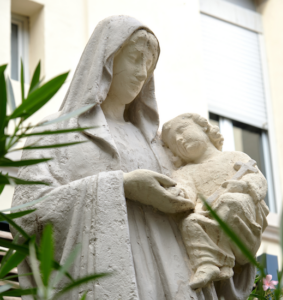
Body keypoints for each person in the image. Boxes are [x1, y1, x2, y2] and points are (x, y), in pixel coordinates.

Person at [12, 16, 261, 300]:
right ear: (106, 59)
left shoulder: (159, 148)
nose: (143, 72)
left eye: (150, 64)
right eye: (135, 58)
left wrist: (235, 221)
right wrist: (122, 186)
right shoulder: (58, 131)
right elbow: (28, 216)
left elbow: (199, 214)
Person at [161, 113, 269, 291]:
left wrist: (243, 186)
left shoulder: (235, 156)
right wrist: (179, 196)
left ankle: (225, 260)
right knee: (190, 223)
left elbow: (258, 180)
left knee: (230, 201)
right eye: (173, 142)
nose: (179, 139)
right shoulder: (185, 173)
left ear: (204, 127)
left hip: (245, 227)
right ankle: (208, 263)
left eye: (182, 130)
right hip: (212, 219)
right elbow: (185, 194)